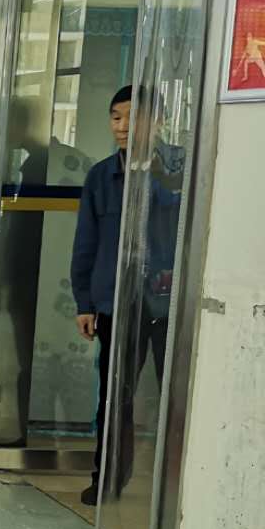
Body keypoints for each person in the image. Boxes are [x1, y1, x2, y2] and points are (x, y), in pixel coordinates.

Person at [70, 85, 182, 506]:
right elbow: (87, 242)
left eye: (132, 117)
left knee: (175, 396)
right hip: (118, 303)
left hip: (170, 304)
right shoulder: (101, 176)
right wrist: (84, 301)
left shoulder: (181, 168)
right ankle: (108, 479)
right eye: (116, 117)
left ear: (158, 120)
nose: (121, 126)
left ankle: (175, 487)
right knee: (115, 397)